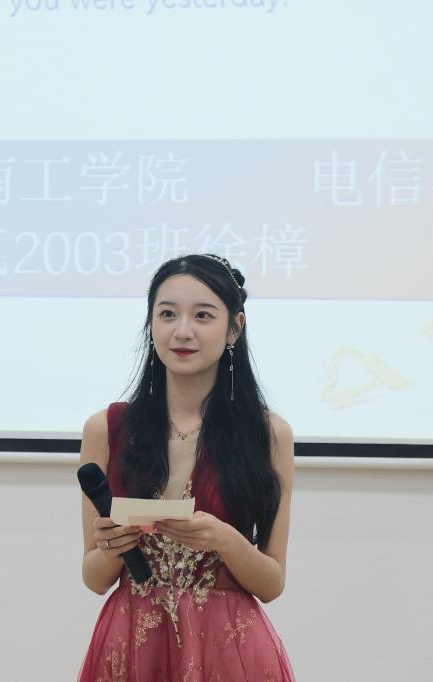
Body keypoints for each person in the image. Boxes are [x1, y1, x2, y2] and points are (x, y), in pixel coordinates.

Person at [78, 254, 295, 681]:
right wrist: (112, 547)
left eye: (202, 315)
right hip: (132, 644)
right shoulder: (106, 428)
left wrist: (224, 540)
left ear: (235, 327)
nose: (182, 331)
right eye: (167, 314)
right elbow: (94, 578)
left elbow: (271, 583)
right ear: (151, 324)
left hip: (227, 649)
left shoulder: (269, 434)